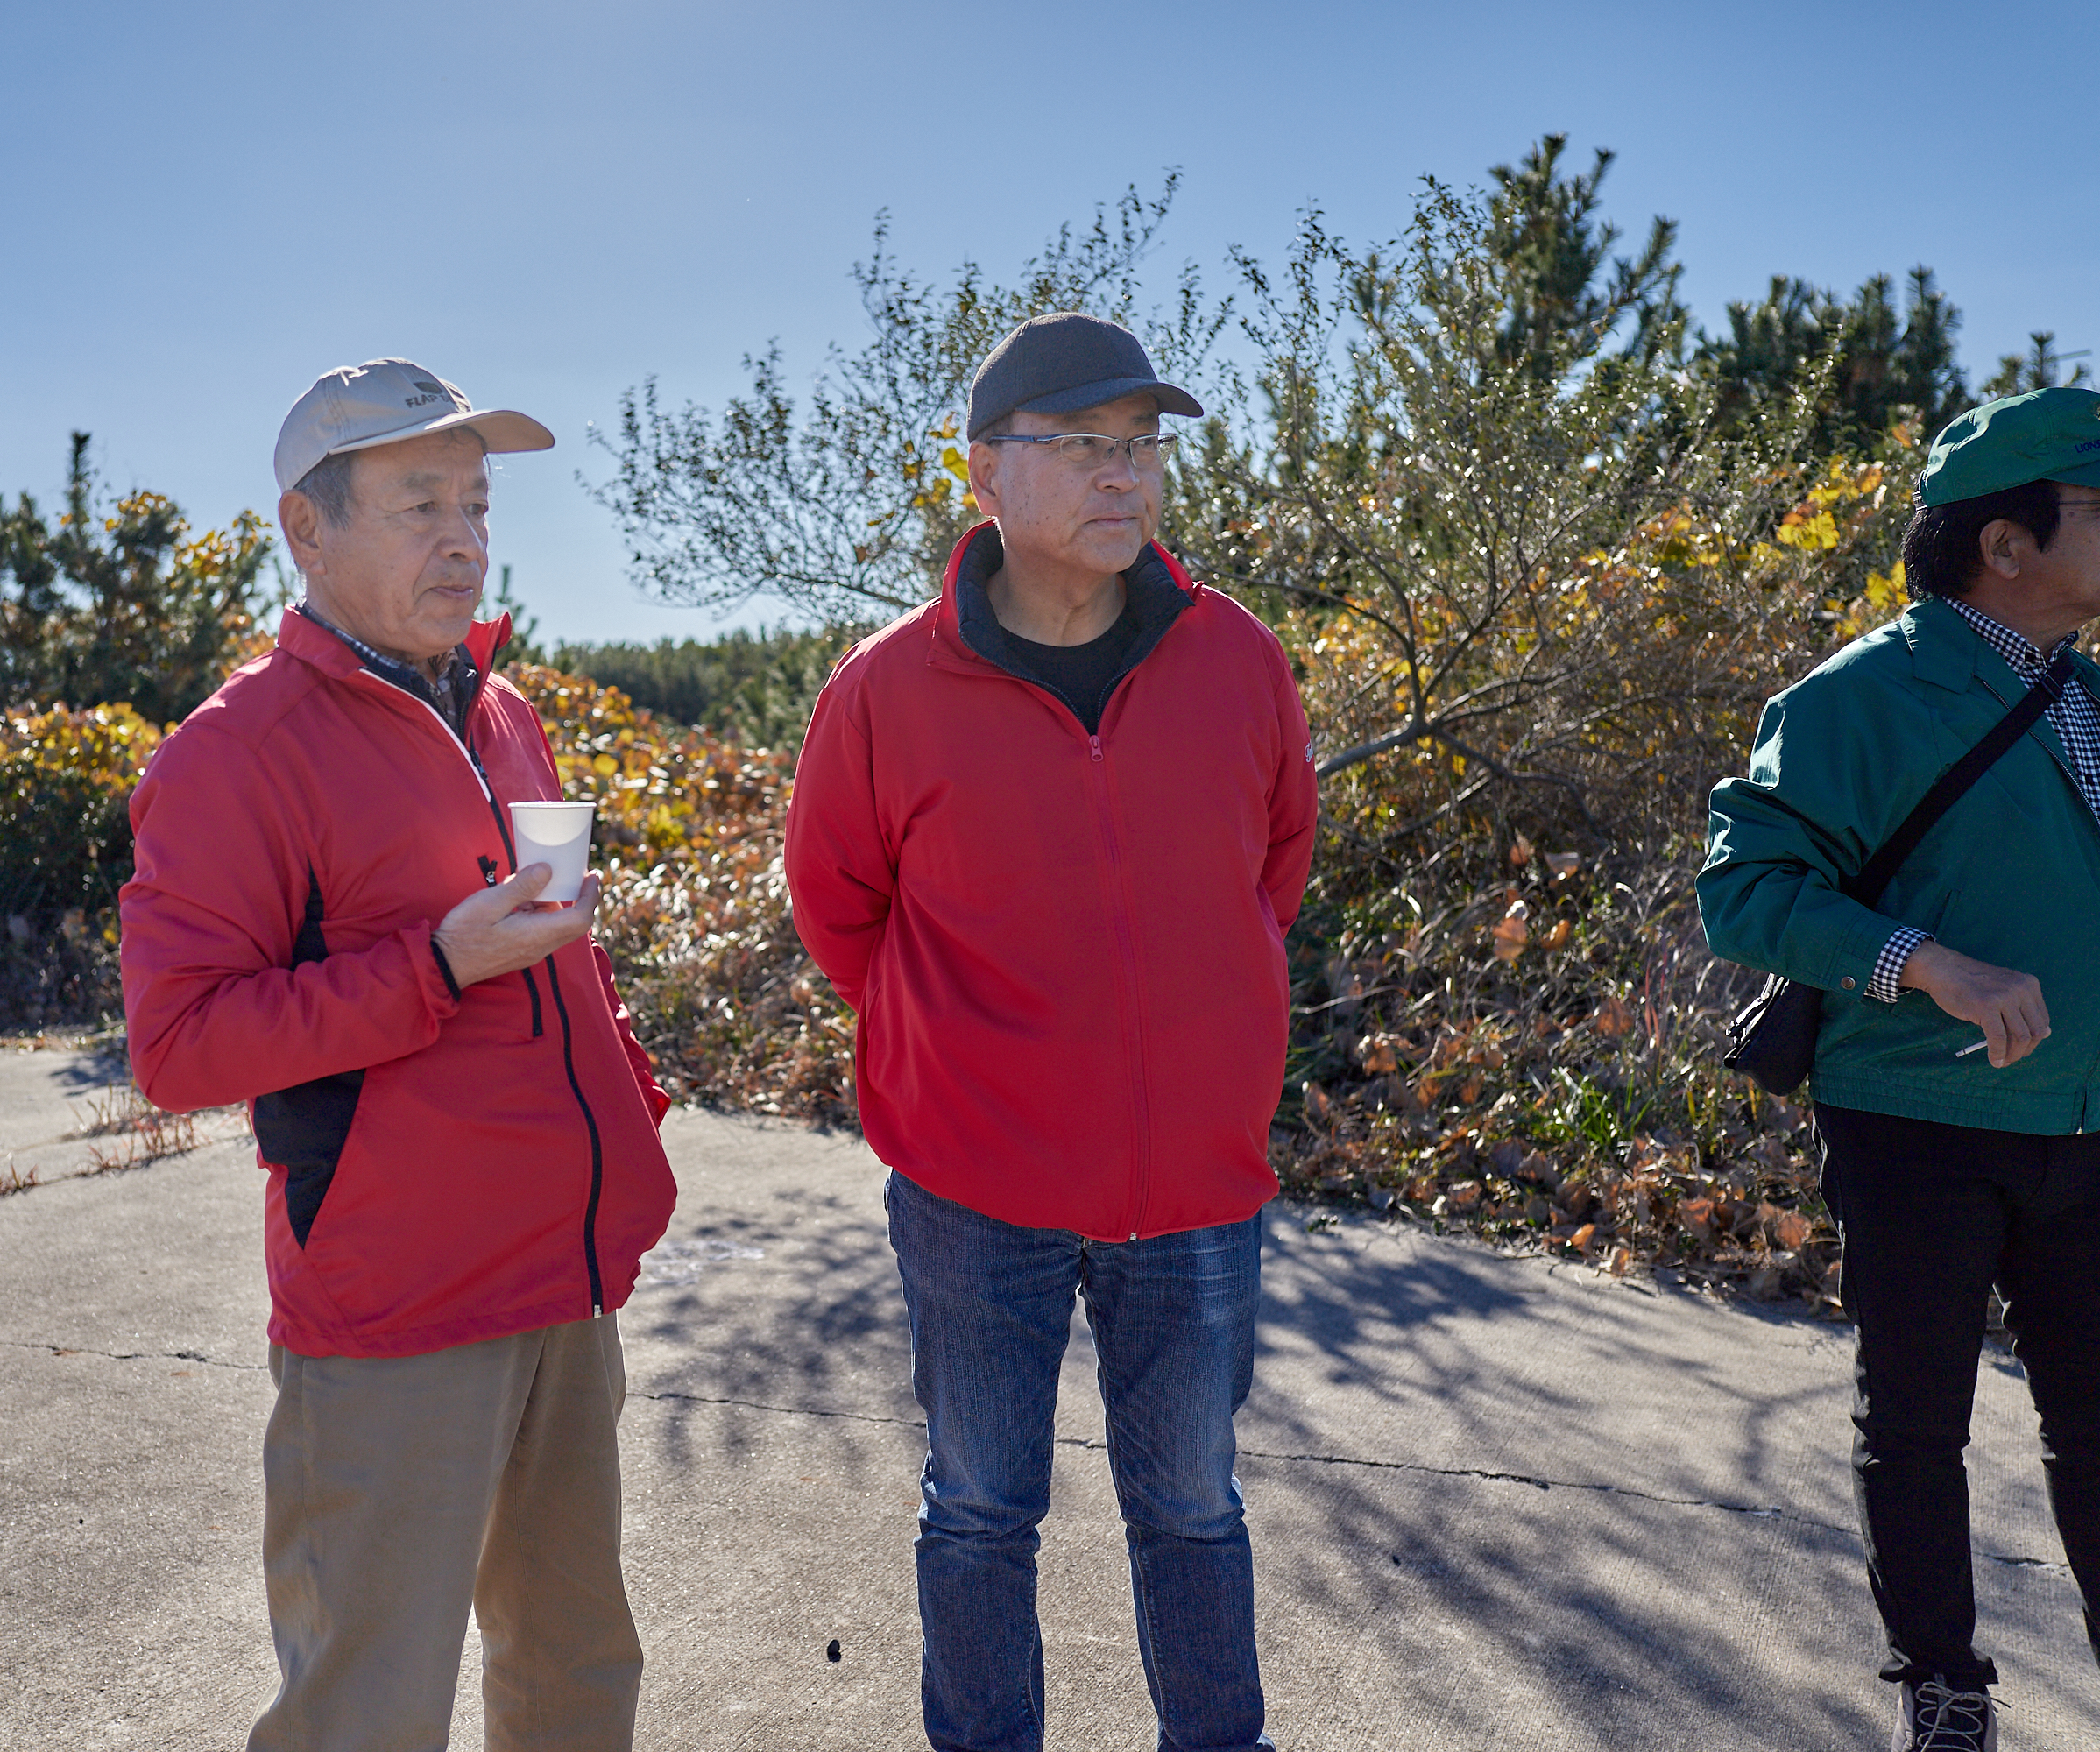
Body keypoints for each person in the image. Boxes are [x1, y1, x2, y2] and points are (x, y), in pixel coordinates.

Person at [119, 360, 676, 1752]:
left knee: (577, 1674)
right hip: (395, 1307)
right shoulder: (233, 755)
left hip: (564, 1281)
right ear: (306, 532)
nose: (464, 538)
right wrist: (431, 969)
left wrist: (627, 1103)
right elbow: (179, 1045)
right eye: (419, 502)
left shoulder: (498, 709)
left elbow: (542, 958)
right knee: (364, 1709)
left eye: (478, 504)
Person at [784, 311, 1317, 1752]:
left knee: (1195, 1507)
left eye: (1141, 447)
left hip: (1195, 1190)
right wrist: (961, 1051)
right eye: (1081, 445)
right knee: (978, 1511)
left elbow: (1274, 865)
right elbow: (839, 907)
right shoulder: (886, 689)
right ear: (984, 478)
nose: (1123, 477)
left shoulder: (1238, 660)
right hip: (976, 1189)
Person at [1700, 385, 2100, 1750]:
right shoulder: (1860, 697)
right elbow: (1747, 890)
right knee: (1920, 1424)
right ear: (2006, 544)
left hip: (2094, 1124)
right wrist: (1928, 962)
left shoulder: (2095, 697)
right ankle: (1945, 1684)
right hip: (1916, 1120)